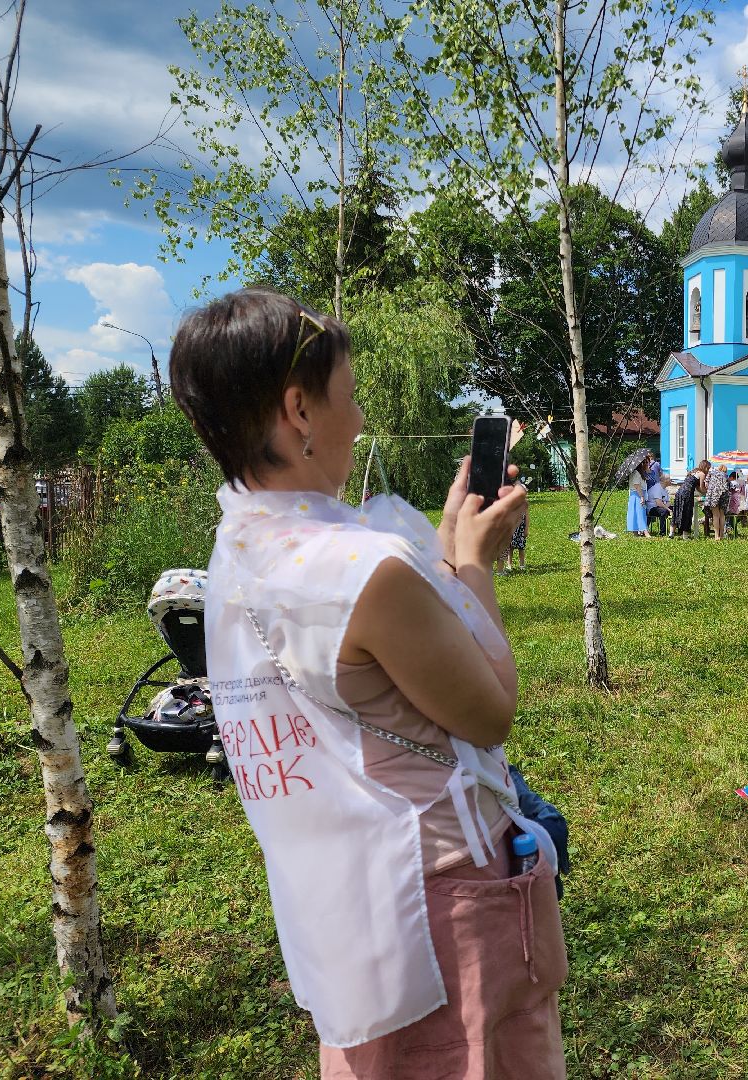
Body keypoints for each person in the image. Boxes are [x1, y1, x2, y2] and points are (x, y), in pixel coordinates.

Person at [174, 290, 567, 1075]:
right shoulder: (367, 571)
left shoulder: (240, 545)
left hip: (342, 893)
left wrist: (449, 545)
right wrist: (473, 563)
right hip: (442, 891)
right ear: (299, 411)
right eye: (348, 398)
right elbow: (489, 711)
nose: (357, 422)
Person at [671, 463, 704, 537]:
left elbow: (697, 488)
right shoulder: (702, 474)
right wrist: (708, 492)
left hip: (679, 492)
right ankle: (685, 535)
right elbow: (701, 488)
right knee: (687, 513)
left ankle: (671, 533)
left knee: (677, 512)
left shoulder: (692, 474)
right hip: (687, 493)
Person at [703, 464, 731, 540]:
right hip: (724, 494)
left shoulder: (711, 472)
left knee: (716, 515)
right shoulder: (725, 475)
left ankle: (716, 536)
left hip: (715, 494)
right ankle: (721, 535)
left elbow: (706, 484)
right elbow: (729, 486)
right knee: (722, 515)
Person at [625, 458, 650, 536]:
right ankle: (645, 532)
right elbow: (636, 485)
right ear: (640, 464)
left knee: (637, 514)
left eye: (647, 462)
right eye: (644, 462)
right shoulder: (636, 473)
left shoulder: (640, 473)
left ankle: (636, 533)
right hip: (637, 495)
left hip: (638, 494)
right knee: (640, 514)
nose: (646, 464)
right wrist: (642, 496)